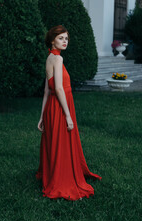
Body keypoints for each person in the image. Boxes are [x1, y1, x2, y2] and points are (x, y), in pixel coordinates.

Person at [35, 25, 102, 201]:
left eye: (66, 38)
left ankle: (53, 175)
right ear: (52, 41)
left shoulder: (49, 58)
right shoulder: (58, 60)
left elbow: (46, 91)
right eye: (60, 38)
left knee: (55, 142)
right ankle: (60, 180)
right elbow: (57, 88)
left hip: (51, 107)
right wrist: (68, 115)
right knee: (61, 143)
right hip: (59, 107)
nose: (65, 41)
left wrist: (42, 116)